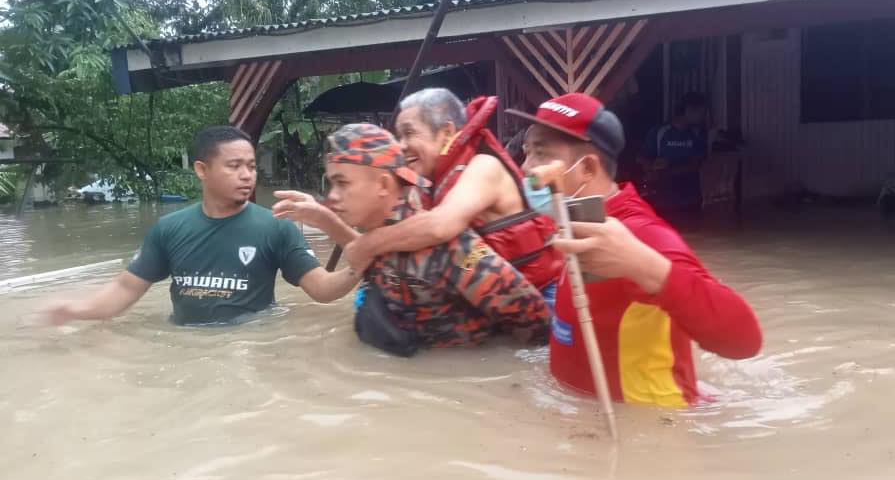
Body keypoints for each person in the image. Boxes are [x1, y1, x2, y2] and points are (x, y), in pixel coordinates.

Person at [511, 93, 762, 408]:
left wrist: (642, 265)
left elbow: (745, 341)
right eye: (526, 151)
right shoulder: (566, 218)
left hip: (647, 430)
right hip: (580, 418)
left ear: (587, 167)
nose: (525, 167)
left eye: (540, 153)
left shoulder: (639, 235)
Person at [42, 126, 359, 327]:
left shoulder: (276, 226)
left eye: (250, 166)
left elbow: (321, 289)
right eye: (234, 166)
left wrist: (360, 262)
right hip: (184, 346)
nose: (247, 175)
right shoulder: (169, 229)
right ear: (201, 170)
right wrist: (75, 310)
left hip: (251, 345)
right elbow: (125, 290)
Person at [317, 122, 549, 356]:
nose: (333, 196)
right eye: (332, 183)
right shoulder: (377, 239)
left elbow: (535, 319)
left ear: (383, 184)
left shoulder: (445, 249)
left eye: (342, 183)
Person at [336, 88, 562, 306]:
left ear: (446, 132)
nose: (401, 146)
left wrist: (368, 244)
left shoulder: (484, 166)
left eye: (409, 133)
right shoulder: (427, 185)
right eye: (398, 136)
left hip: (542, 298)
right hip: (494, 303)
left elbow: (439, 227)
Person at [639, 91, 709, 226]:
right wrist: (651, 168)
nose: (703, 117)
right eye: (701, 112)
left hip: (691, 197)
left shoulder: (698, 133)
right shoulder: (660, 132)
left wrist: (668, 171)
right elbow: (642, 157)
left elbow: (698, 163)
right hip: (662, 198)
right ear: (689, 110)